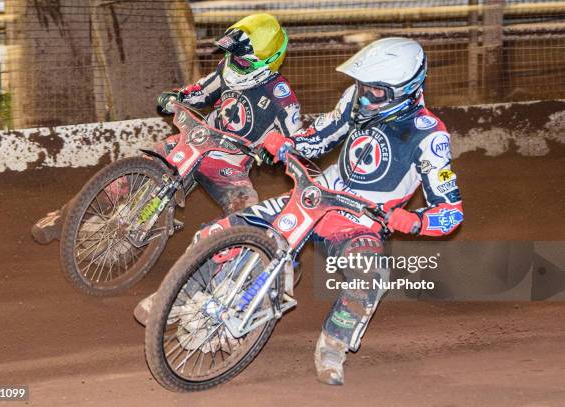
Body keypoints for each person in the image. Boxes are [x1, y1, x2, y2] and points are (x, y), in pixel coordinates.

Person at [183, 37, 464, 385]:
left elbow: (451, 211)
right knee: (229, 228)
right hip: (313, 196)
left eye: (375, 91)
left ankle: (333, 347)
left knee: (371, 278)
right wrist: (290, 143)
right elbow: (322, 135)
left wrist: (415, 220)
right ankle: (182, 292)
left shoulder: (430, 136)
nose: (364, 95)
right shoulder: (355, 100)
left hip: (360, 221)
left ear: (404, 90)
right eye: (363, 86)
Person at [31, 13, 301, 244]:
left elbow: (297, 142)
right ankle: (64, 217)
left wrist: (274, 152)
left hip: (228, 164)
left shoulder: (282, 99)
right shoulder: (225, 70)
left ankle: (216, 281)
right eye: (233, 54)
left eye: (243, 58)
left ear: (269, 59)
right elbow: (201, 91)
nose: (235, 61)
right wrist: (178, 96)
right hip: (195, 141)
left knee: (245, 217)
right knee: (127, 173)